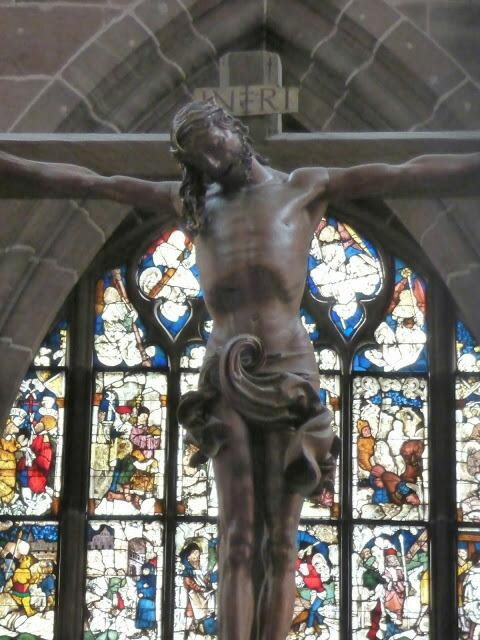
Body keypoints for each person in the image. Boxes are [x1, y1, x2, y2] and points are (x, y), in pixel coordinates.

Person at [0, 99, 479, 640]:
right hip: (224, 374)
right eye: (197, 158)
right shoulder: (194, 208)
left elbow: (402, 173)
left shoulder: (303, 188)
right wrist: (11, 166)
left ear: (232, 129)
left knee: (281, 542)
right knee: (237, 537)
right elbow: (93, 182)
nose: (210, 160)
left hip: (289, 374)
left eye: (213, 144)